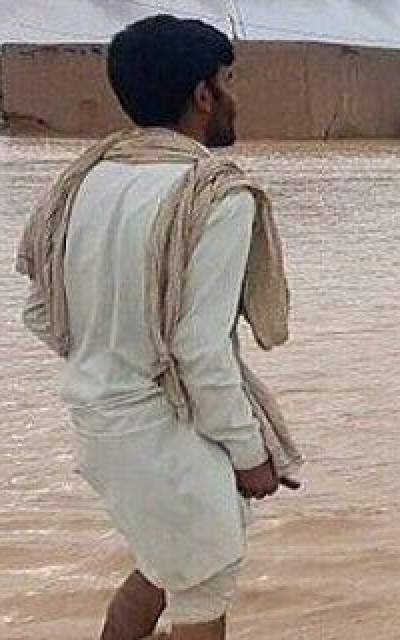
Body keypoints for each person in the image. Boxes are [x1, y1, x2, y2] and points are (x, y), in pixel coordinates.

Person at [16, 15, 301, 640]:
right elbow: (199, 352)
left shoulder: (83, 182)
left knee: (159, 571)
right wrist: (252, 455)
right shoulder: (215, 196)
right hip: (168, 438)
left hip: (98, 428)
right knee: (201, 596)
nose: (235, 97)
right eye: (228, 81)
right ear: (203, 95)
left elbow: (41, 311)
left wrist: (109, 357)